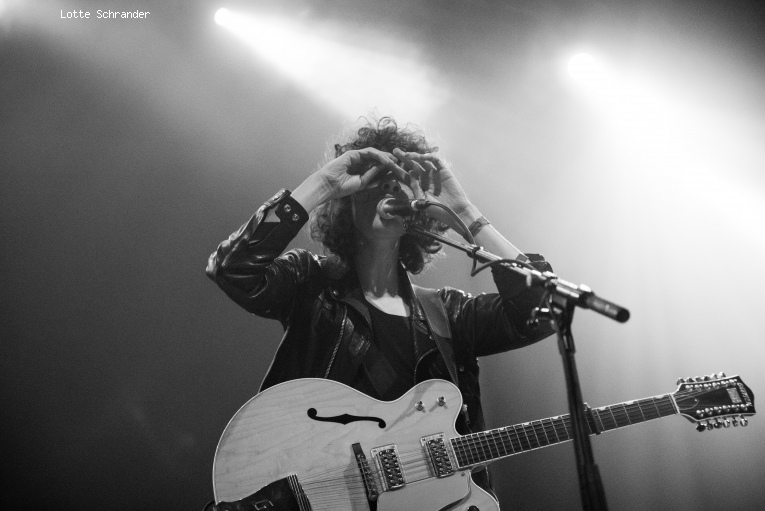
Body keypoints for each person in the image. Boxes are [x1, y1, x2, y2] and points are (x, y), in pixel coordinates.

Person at [206, 117, 554, 502]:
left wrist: (464, 210)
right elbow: (232, 269)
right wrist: (322, 184)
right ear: (348, 197)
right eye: (376, 175)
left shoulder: (450, 313)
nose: (390, 183)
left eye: (401, 176)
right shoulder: (311, 282)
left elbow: (542, 312)